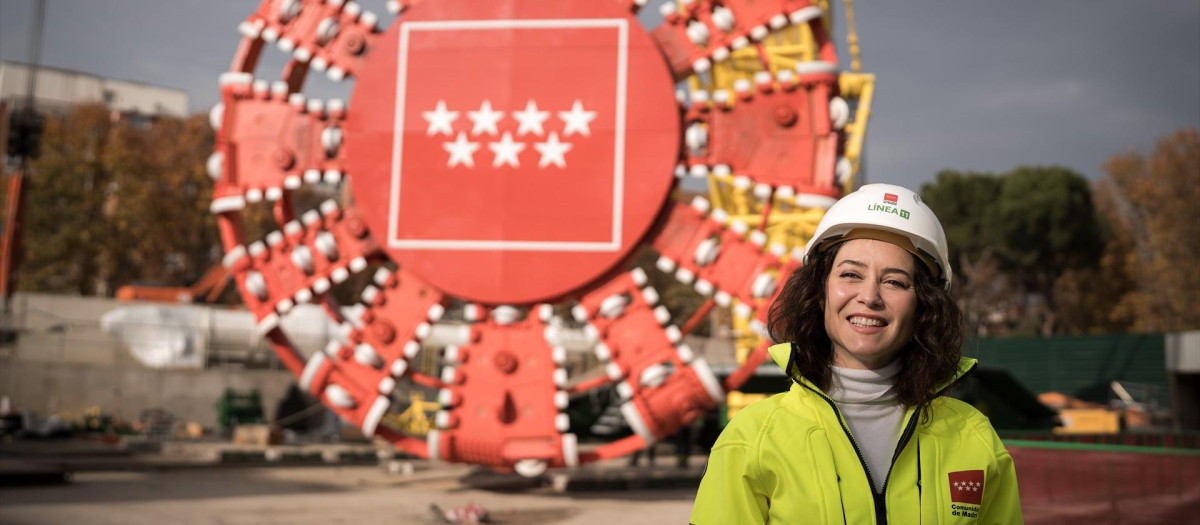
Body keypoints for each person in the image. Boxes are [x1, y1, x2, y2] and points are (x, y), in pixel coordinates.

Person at [690, 184, 1022, 524]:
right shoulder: (752, 439)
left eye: (895, 282)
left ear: (924, 305)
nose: (869, 296)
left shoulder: (974, 438)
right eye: (850, 274)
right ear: (819, 291)